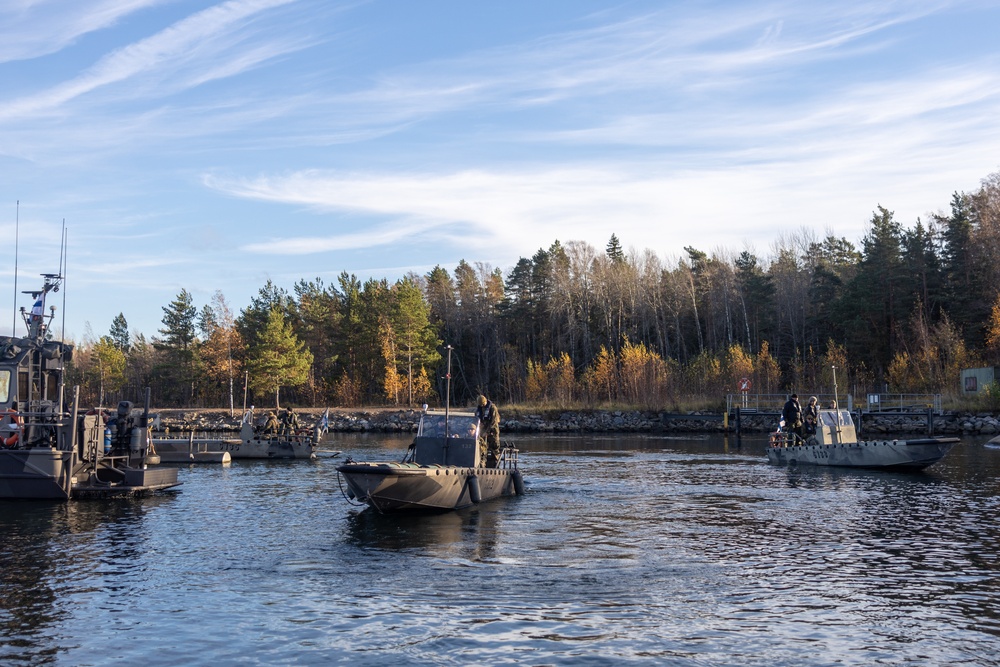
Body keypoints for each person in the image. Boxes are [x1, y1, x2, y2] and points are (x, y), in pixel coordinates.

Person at [475, 394, 501, 468]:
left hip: (493, 431)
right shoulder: (479, 409)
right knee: (482, 448)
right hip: (482, 431)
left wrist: (487, 431)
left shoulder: (492, 408)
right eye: (481, 405)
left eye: (483, 404)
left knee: (494, 448)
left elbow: (493, 422)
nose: (482, 406)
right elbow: (476, 418)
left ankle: (496, 465)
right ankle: (482, 465)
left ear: (485, 402)